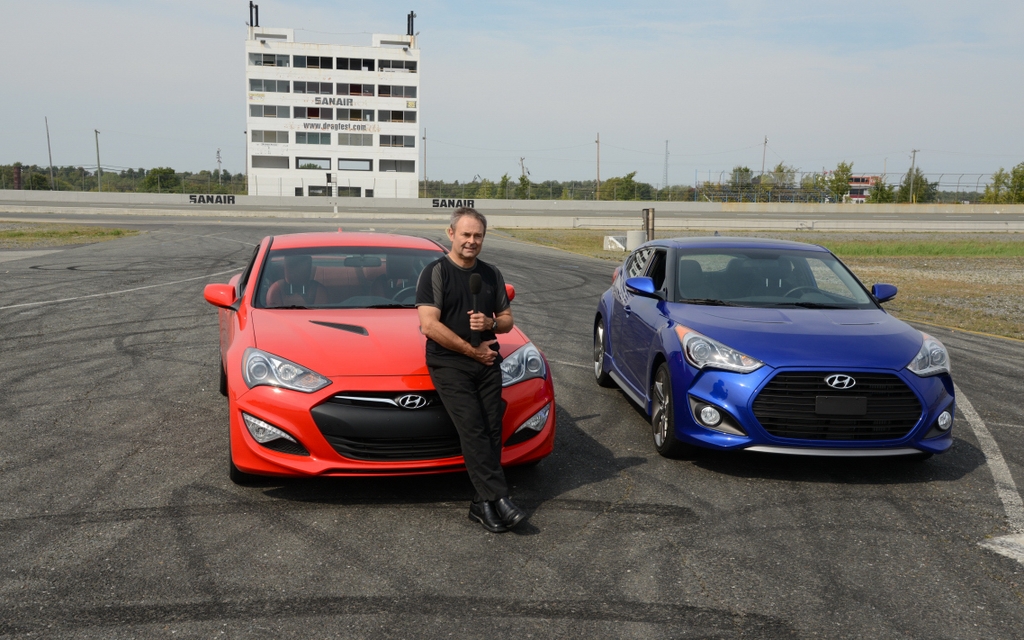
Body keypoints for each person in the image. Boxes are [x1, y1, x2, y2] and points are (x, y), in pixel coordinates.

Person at [416, 207, 526, 533]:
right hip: (449, 362)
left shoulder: (491, 274)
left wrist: (492, 323)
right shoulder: (435, 273)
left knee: (493, 429)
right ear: (451, 234)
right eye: (465, 234)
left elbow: (507, 321)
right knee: (473, 428)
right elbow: (429, 326)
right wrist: (470, 350)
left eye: (477, 235)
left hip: (487, 359)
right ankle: (499, 497)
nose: (471, 241)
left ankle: (481, 505)